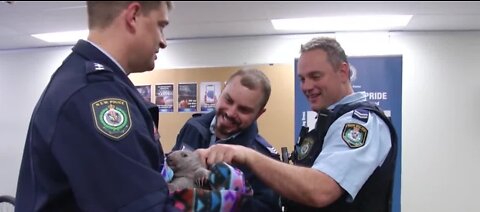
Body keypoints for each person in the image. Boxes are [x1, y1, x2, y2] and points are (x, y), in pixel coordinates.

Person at [196, 37, 398, 212]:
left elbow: (320, 190)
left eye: (315, 76)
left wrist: (248, 155)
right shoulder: (327, 122)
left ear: (343, 72)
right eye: (302, 79)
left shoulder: (361, 124)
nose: (307, 87)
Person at [15, 2, 177, 211]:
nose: (163, 41)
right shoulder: (94, 95)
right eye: (160, 26)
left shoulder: (91, 84)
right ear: (133, 15)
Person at [172, 68, 282, 211]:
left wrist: (228, 202)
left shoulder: (264, 156)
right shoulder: (192, 127)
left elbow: (269, 208)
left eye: (243, 110)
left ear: (259, 113)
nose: (230, 113)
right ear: (222, 91)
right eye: (228, 100)